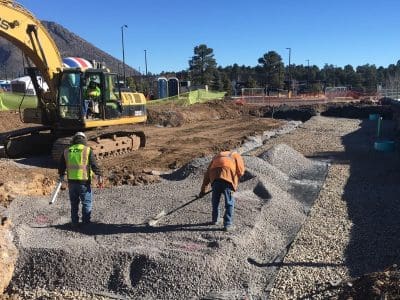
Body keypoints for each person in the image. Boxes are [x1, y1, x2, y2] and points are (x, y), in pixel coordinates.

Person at [58, 132, 103, 228]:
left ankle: (74, 222)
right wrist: (99, 175)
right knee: (86, 203)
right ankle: (86, 223)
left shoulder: (67, 151)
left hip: (71, 183)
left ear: (74, 140)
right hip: (84, 182)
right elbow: (94, 165)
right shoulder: (87, 150)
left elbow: (61, 166)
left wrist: (61, 175)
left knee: (74, 204)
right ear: (84, 140)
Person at [199, 150, 245, 232]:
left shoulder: (217, 156)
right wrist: (235, 181)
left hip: (215, 179)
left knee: (215, 201)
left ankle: (215, 219)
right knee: (229, 203)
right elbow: (241, 171)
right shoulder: (236, 155)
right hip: (228, 179)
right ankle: (227, 224)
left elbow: (207, 174)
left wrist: (203, 191)